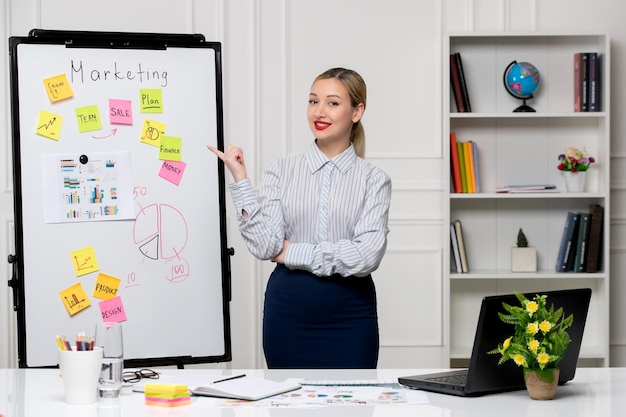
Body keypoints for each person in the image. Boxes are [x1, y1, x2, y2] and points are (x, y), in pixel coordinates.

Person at [208, 67, 391, 369]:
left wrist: (291, 251)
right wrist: (241, 179)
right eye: (312, 101)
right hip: (289, 312)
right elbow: (266, 247)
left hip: (350, 316)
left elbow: (366, 256)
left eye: (332, 103)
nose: (319, 112)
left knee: (351, 405)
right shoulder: (281, 170)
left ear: (357, 111)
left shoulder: (374, 180)